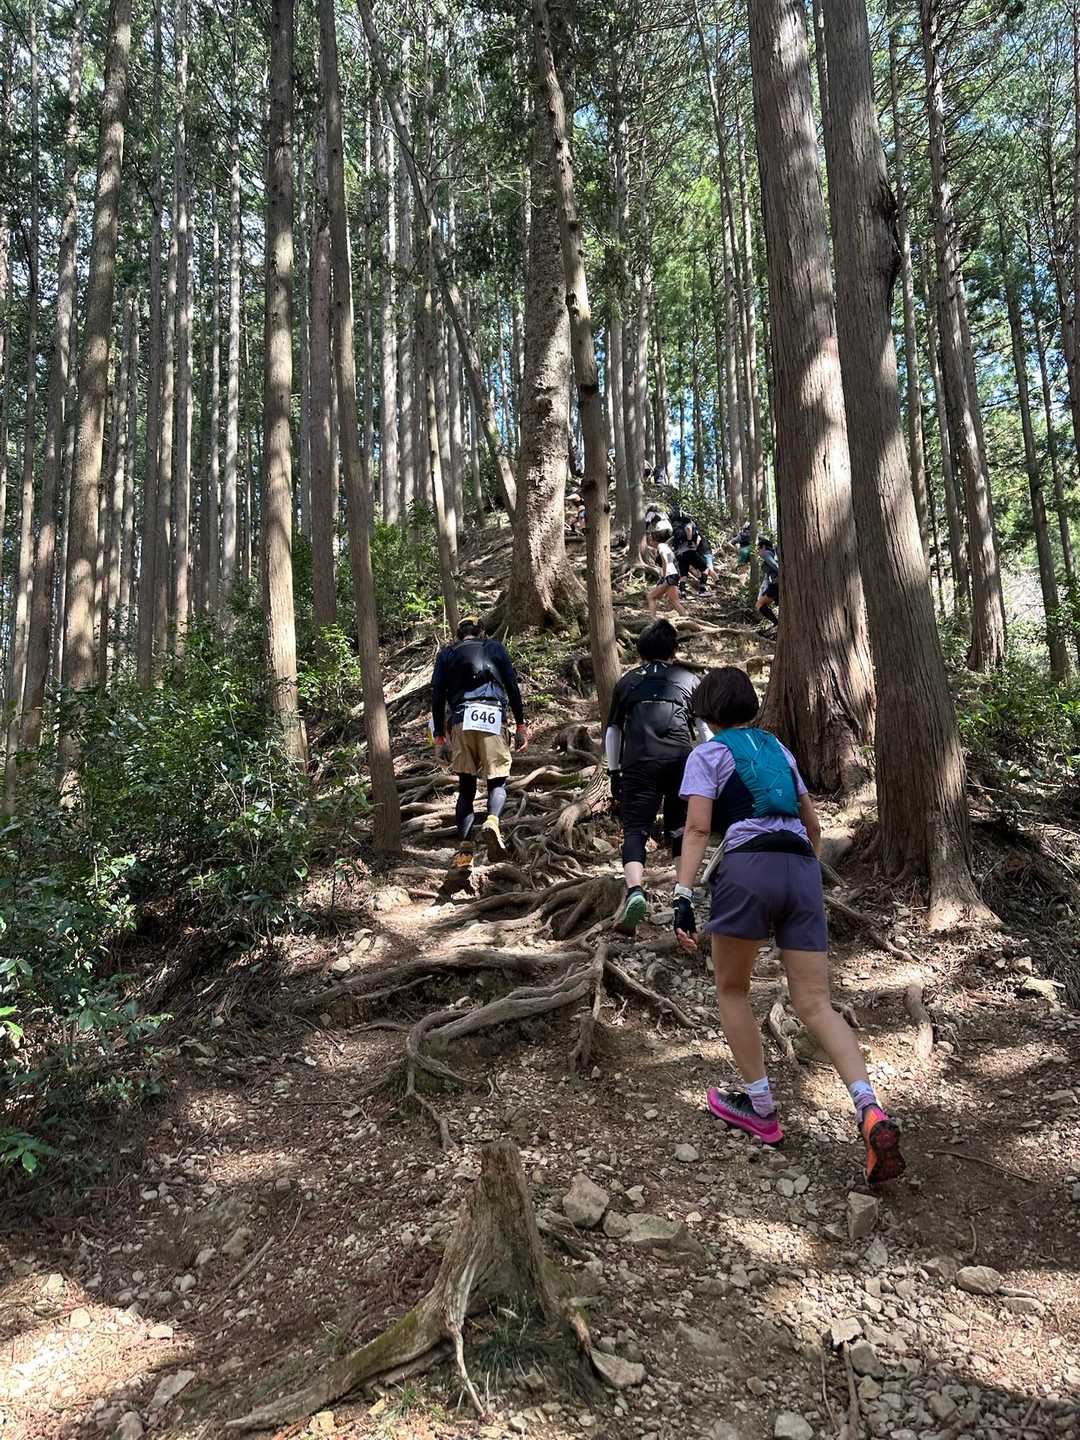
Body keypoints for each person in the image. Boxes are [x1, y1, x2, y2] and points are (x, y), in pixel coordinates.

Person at [671, 667, 905, 1185]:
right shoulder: (779, 749)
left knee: (732, 989)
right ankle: (869, 1109)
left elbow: (698, 827)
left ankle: (761, 1109)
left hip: (746, 868)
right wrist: (802, 875)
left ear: (707, 711)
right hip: (801, 868)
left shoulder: (708, 754)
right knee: (817, 1004)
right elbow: (813, 823)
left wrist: (683, 896)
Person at [605, 620, 702, 933]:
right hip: (680, 763)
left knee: (635, 829)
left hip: (639, 763)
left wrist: (613, 771)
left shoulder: (627, 681)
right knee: (679, 829)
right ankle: (683, 896)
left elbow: (613, 731)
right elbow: (704, 729)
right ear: (674, 650)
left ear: (641, 651)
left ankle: (635, 890)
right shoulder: (689, 680)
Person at [431, 618, 529, 870]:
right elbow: (511, 685)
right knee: (497, 781)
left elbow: (437, 695)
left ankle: (465, 851)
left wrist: (439, 737)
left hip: (460, 720)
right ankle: (492, 821)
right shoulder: (494, 648)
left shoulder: (446, 654)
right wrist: (520, 725)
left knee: (466, 787)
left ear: (458, 635)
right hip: (492, 717)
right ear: (482, 632)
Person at [645, 521, 685, 617]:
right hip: (673, 576)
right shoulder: (666, 547)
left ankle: (653, 619)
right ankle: (686, 617)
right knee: (674, 601)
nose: (650, 541)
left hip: (669, 577)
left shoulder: (661, 547)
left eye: (651, 539)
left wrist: (664, 576)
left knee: (650, 597)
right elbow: (671, 561)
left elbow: (665, 561)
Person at [756, 535, 779, 629]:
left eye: (759, 548)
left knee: (759, 604)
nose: (758, 551)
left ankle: (777, 623)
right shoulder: (773, 553)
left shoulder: (766, 553)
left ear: (764, 547)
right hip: (776, 583)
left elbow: (775, 566)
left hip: (776, 583)